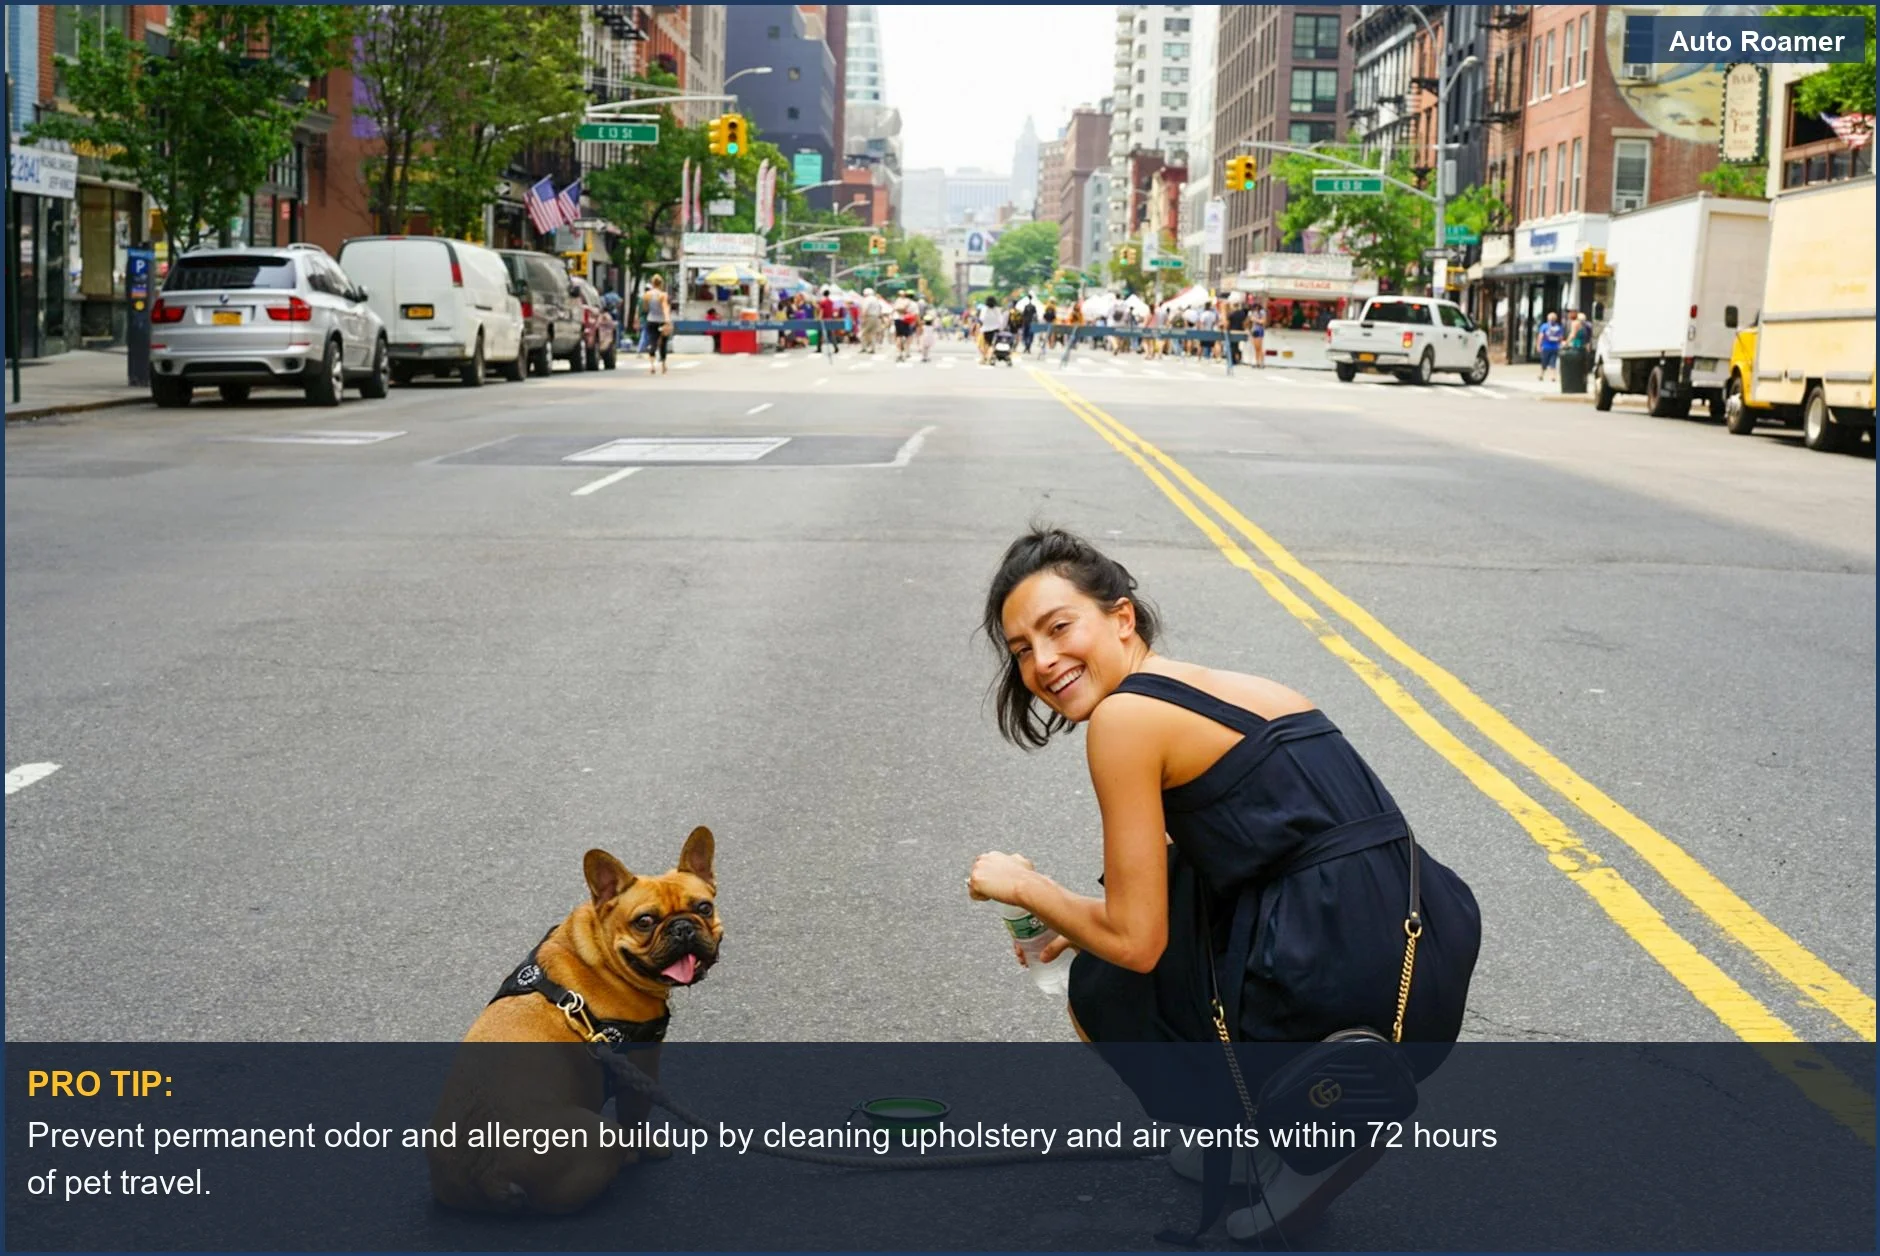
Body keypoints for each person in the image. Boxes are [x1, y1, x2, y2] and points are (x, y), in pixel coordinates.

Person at [968, 528, 1480, 1242]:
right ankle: (1283, 1117)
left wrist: (1024, 887)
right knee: (1153, 922)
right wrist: (1080, 913)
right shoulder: (1239, 689)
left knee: (1101, 986)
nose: (1044, 661)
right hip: (1419, 972)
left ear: (1122, 617)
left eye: (1059, 628)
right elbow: (1203, 889)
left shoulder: (1124, 720)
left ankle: (1294, 1142)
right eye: (1022, 649)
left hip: (1339, 984)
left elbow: (1137, 943)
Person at [640, 274, 672, 375]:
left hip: (651, 320)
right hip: (662, 320)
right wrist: (667, 320)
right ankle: (663, 365)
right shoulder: (663, 295)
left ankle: (652, 366)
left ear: (652, 283)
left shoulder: (647, 295)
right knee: (663, 343)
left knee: (652, 341)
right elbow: (665, 308)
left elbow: (645, 309)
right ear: (661, 284)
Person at [1536, 310, 1564, 381]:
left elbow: (1541, 336)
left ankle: (1541, 375)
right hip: (1555, 347)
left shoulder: (1544, 326)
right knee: (1553, 362)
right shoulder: (1558, 327)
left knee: (1544, 361)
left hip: (1546, 346)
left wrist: (1539, 345)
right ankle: (1553, 376)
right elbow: (1560, 338)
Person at [1249, 302, 1268, 368]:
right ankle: (1257, 361)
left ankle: (1261, 362)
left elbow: (1263, 321)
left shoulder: (1262, 312)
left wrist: (1255, 319)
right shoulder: (1253, 312)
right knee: (1256, 347)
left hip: (1259, 329)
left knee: (1259, 347)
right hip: (1254, 329)